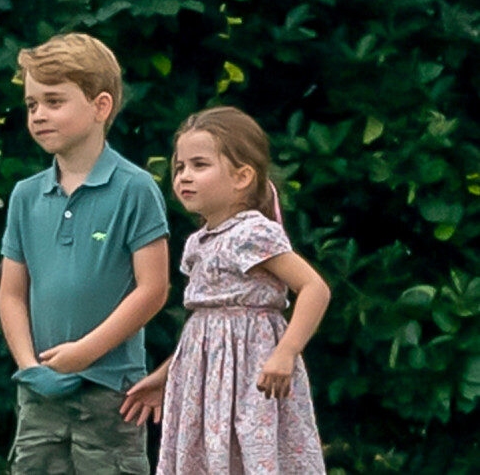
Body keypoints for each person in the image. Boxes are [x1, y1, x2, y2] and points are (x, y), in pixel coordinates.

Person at [121, 106, 330, 474]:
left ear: (242, 176)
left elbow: (314, 287)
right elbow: (207, 333)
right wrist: (167, 375)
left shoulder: (253, 232)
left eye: (199, 165)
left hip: (253, 380)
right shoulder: (198, 243)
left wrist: (285, 353)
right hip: (205, 391)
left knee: (252, 455)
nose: (185, 176)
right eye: (180, 167)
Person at [0, 33, 169, 475]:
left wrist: (86, 352)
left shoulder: (136, 189)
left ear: (101, 106)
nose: (38, 115)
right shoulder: (25, 196)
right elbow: (13, 293)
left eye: (54, 101)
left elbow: (153, 290)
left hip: (112, 391)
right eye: (32, 104)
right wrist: (29, 366)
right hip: (39, 393)